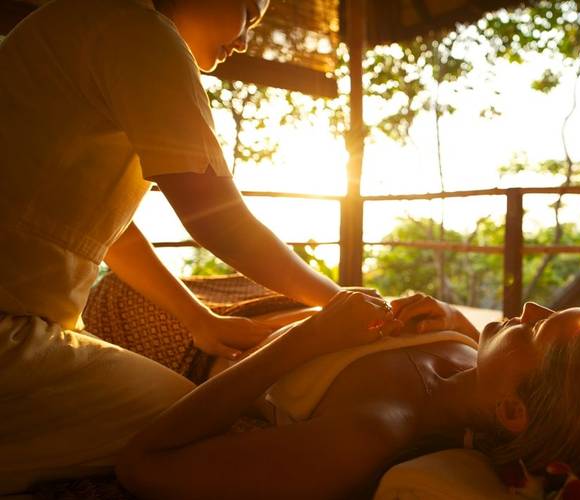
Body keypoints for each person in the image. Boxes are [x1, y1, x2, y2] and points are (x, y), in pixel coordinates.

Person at [0, 0, 354, 492]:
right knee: (188, 422)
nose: (246, 39)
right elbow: (218, 218)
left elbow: (109, 230)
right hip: (8, 334)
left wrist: (199, 320)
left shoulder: (84, 25)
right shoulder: (141, 32)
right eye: (248, 14)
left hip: (22, 318)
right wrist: (341, 303)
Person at [116, 292, 580, 499]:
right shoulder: (470, 356)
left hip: (184, 334)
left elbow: (144, 465)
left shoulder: (370, 432)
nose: (530, 307)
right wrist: (448, 315)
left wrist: (310, 336)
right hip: (257, 302)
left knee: (114, 287)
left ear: (510, 408)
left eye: (537, 328)